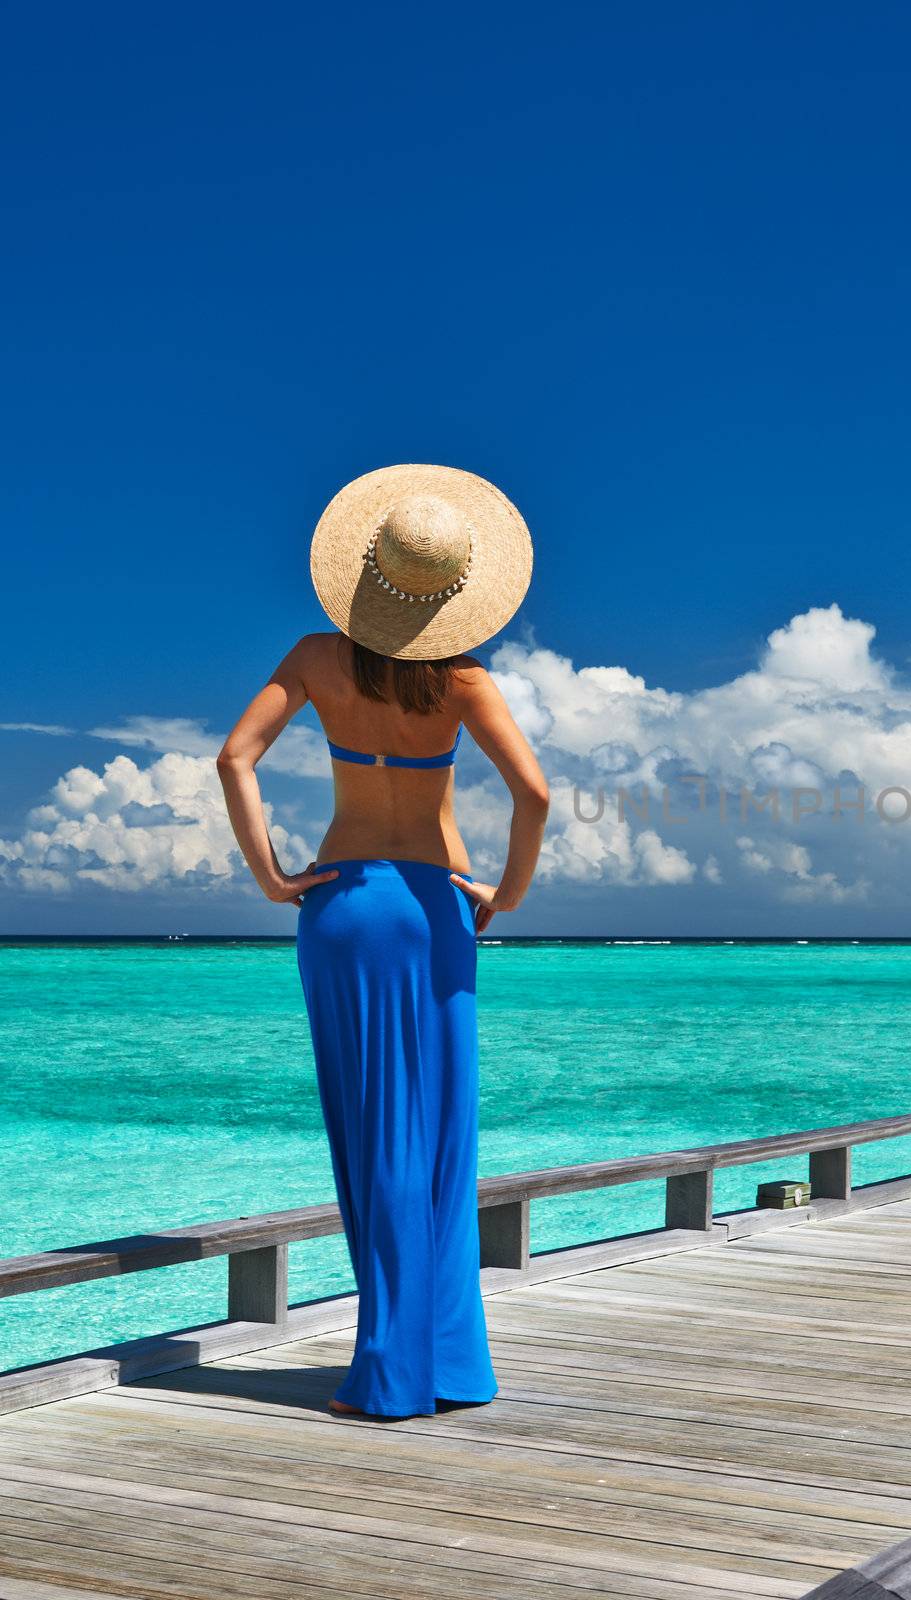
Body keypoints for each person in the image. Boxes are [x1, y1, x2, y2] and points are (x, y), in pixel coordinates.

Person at [217, 464, 550, 1418]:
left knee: (373, 1132)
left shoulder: (319, 659)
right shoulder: (462, 679)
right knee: (441, 1133)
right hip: (438, 907)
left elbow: (234, 757)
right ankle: (445, 1366)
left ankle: (394, 1367)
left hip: (344, 907)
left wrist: (272, 878)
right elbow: (534, 794)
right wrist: (510, 895)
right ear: (451, 595)